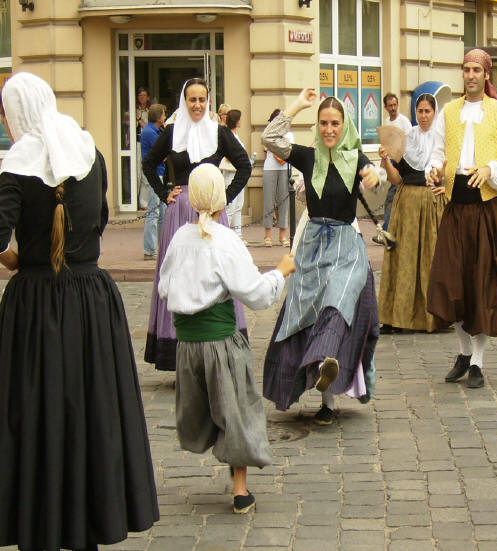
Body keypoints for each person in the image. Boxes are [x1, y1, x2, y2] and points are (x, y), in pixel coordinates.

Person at [0, 72, 159, 551]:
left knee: (36, 415)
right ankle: (89, 525)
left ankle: (40, 525)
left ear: (18, 113)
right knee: (90, 413)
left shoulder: (16, 167)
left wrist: (15, 259)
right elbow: (101, 222)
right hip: (91, 302)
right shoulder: (92, 154)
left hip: (35, 307)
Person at [158, 164, 295, 514]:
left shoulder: (178, 239)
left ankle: (233, 479)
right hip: (220, 344)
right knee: (238, 411)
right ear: (221, 200)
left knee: (211, 407)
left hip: (186, 347)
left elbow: (163, 288)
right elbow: (256, 294)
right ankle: (239, 489)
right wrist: (280, 271)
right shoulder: (224, 240)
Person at [261, 89, 380, 424]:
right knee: (304, 315)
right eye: (324, 123)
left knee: (337, 302)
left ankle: (327, 369)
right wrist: (298, 105)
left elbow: (376, 175)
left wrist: (376, 175)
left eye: (335, 123)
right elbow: (270, 138)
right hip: (313, 244)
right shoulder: (307, 156)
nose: (329, 129)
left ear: (345, 125)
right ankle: (326, 395)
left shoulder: (356, 158)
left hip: (346, 246)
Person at [427, 48, 497, 389]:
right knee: (451, 281)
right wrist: (434, 171)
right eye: (465, 69)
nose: (469, 75)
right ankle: (464, 351)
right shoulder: (449, 112)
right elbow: (438, 153)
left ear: (486, 75)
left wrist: (489, 169)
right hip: (456, 208)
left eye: (475, 70)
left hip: (486, 209)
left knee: (483, 283)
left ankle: (479, 362)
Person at [142, 77, 252, 371]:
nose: (197, 105)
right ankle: (178, 345)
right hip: (181, 213)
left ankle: (220, 339)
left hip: (213, 213)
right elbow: (148, 163)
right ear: (184, 101)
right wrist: (165, 193)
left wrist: (224, 197)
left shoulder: (218, 133)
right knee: (182, 274)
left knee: (218, 273)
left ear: (208, 102)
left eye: (202, 99)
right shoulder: (172, 132)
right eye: (192, 99)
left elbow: (244, 165)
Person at [378, 93, 448, 333]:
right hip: (406, 203)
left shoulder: (442, 141)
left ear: (434, 113)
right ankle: (397, 317)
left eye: (428, 111)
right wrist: (386, 161)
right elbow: (396, 178)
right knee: (402, 259)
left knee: (430, 259)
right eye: (420, 111)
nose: (424, 115)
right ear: (415, 113)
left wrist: (443, 181)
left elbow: (447, 174)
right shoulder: (406, 139)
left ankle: (432, 317)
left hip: (430, 204)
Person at [380, 93, 413, 235]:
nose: (393, 108)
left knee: (392, 195)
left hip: (401, 163)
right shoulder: (386, 121)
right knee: (396, 195)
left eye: (395, 105)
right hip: (390, 162)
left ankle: (387, 229)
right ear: (385, 107)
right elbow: (386, 143)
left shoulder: (404, 121)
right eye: (390, 105)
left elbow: (411, 142)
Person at [262, 108, 292, 247]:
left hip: (284, 168)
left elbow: (289, 151)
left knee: (283, 201)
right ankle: (267, 236)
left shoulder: (289, 135)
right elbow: (268, 147)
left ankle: (282, 236)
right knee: (268, 201)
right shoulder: (268, 133)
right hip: (270, 168)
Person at [141, 103, 167, 260]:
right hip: (154, 174)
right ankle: (150, 249)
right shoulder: (150, 132)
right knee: (154, 211)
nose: (165, 117)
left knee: (162, 211)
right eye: (163, 114)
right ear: (158, 116)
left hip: (160, 173)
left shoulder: (156, 130)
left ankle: (162, 246)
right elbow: (162, 152)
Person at [221, 108, 247, 237]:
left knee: (238, 206)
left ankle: (238, 234)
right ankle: (225, 234)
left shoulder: (235, 136)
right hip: (230, 173)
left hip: (239, 173)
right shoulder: (228, 135)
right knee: (230, 206)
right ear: (236, 121)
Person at [136, 86, 151, 209]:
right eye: (140, 95)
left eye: (144, 95)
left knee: (145, 173)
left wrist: (139, 119)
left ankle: (144, 202)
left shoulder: (150, 112)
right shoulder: (133, 110)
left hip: (146, 143)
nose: (142, 97)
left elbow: (148, 127)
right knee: (136, 173)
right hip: (135, 143)